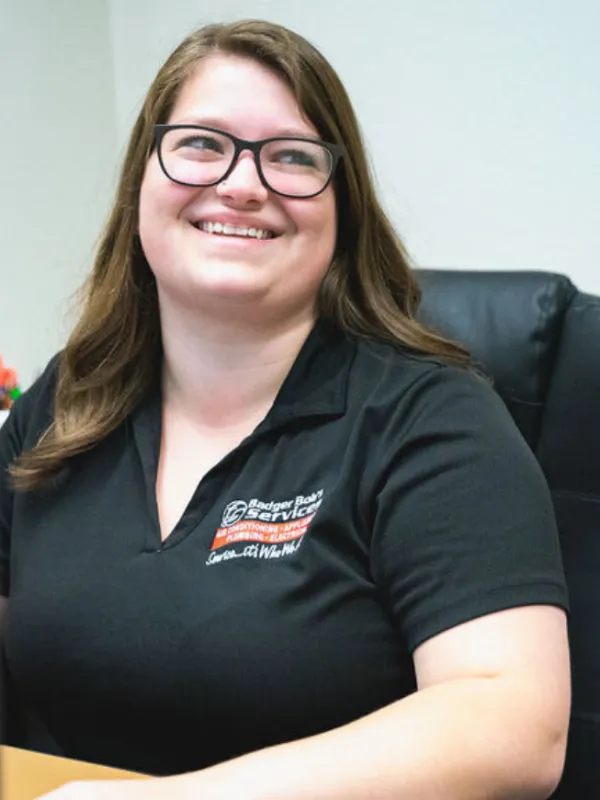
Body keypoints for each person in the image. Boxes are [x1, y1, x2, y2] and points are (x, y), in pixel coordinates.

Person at [0, 18, 570, 800]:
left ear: (343, 213)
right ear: (141, 183)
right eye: (202, 144)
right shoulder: (68, 405)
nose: (242, 183)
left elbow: (514, 726)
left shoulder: (432, 420)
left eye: (292, 157)